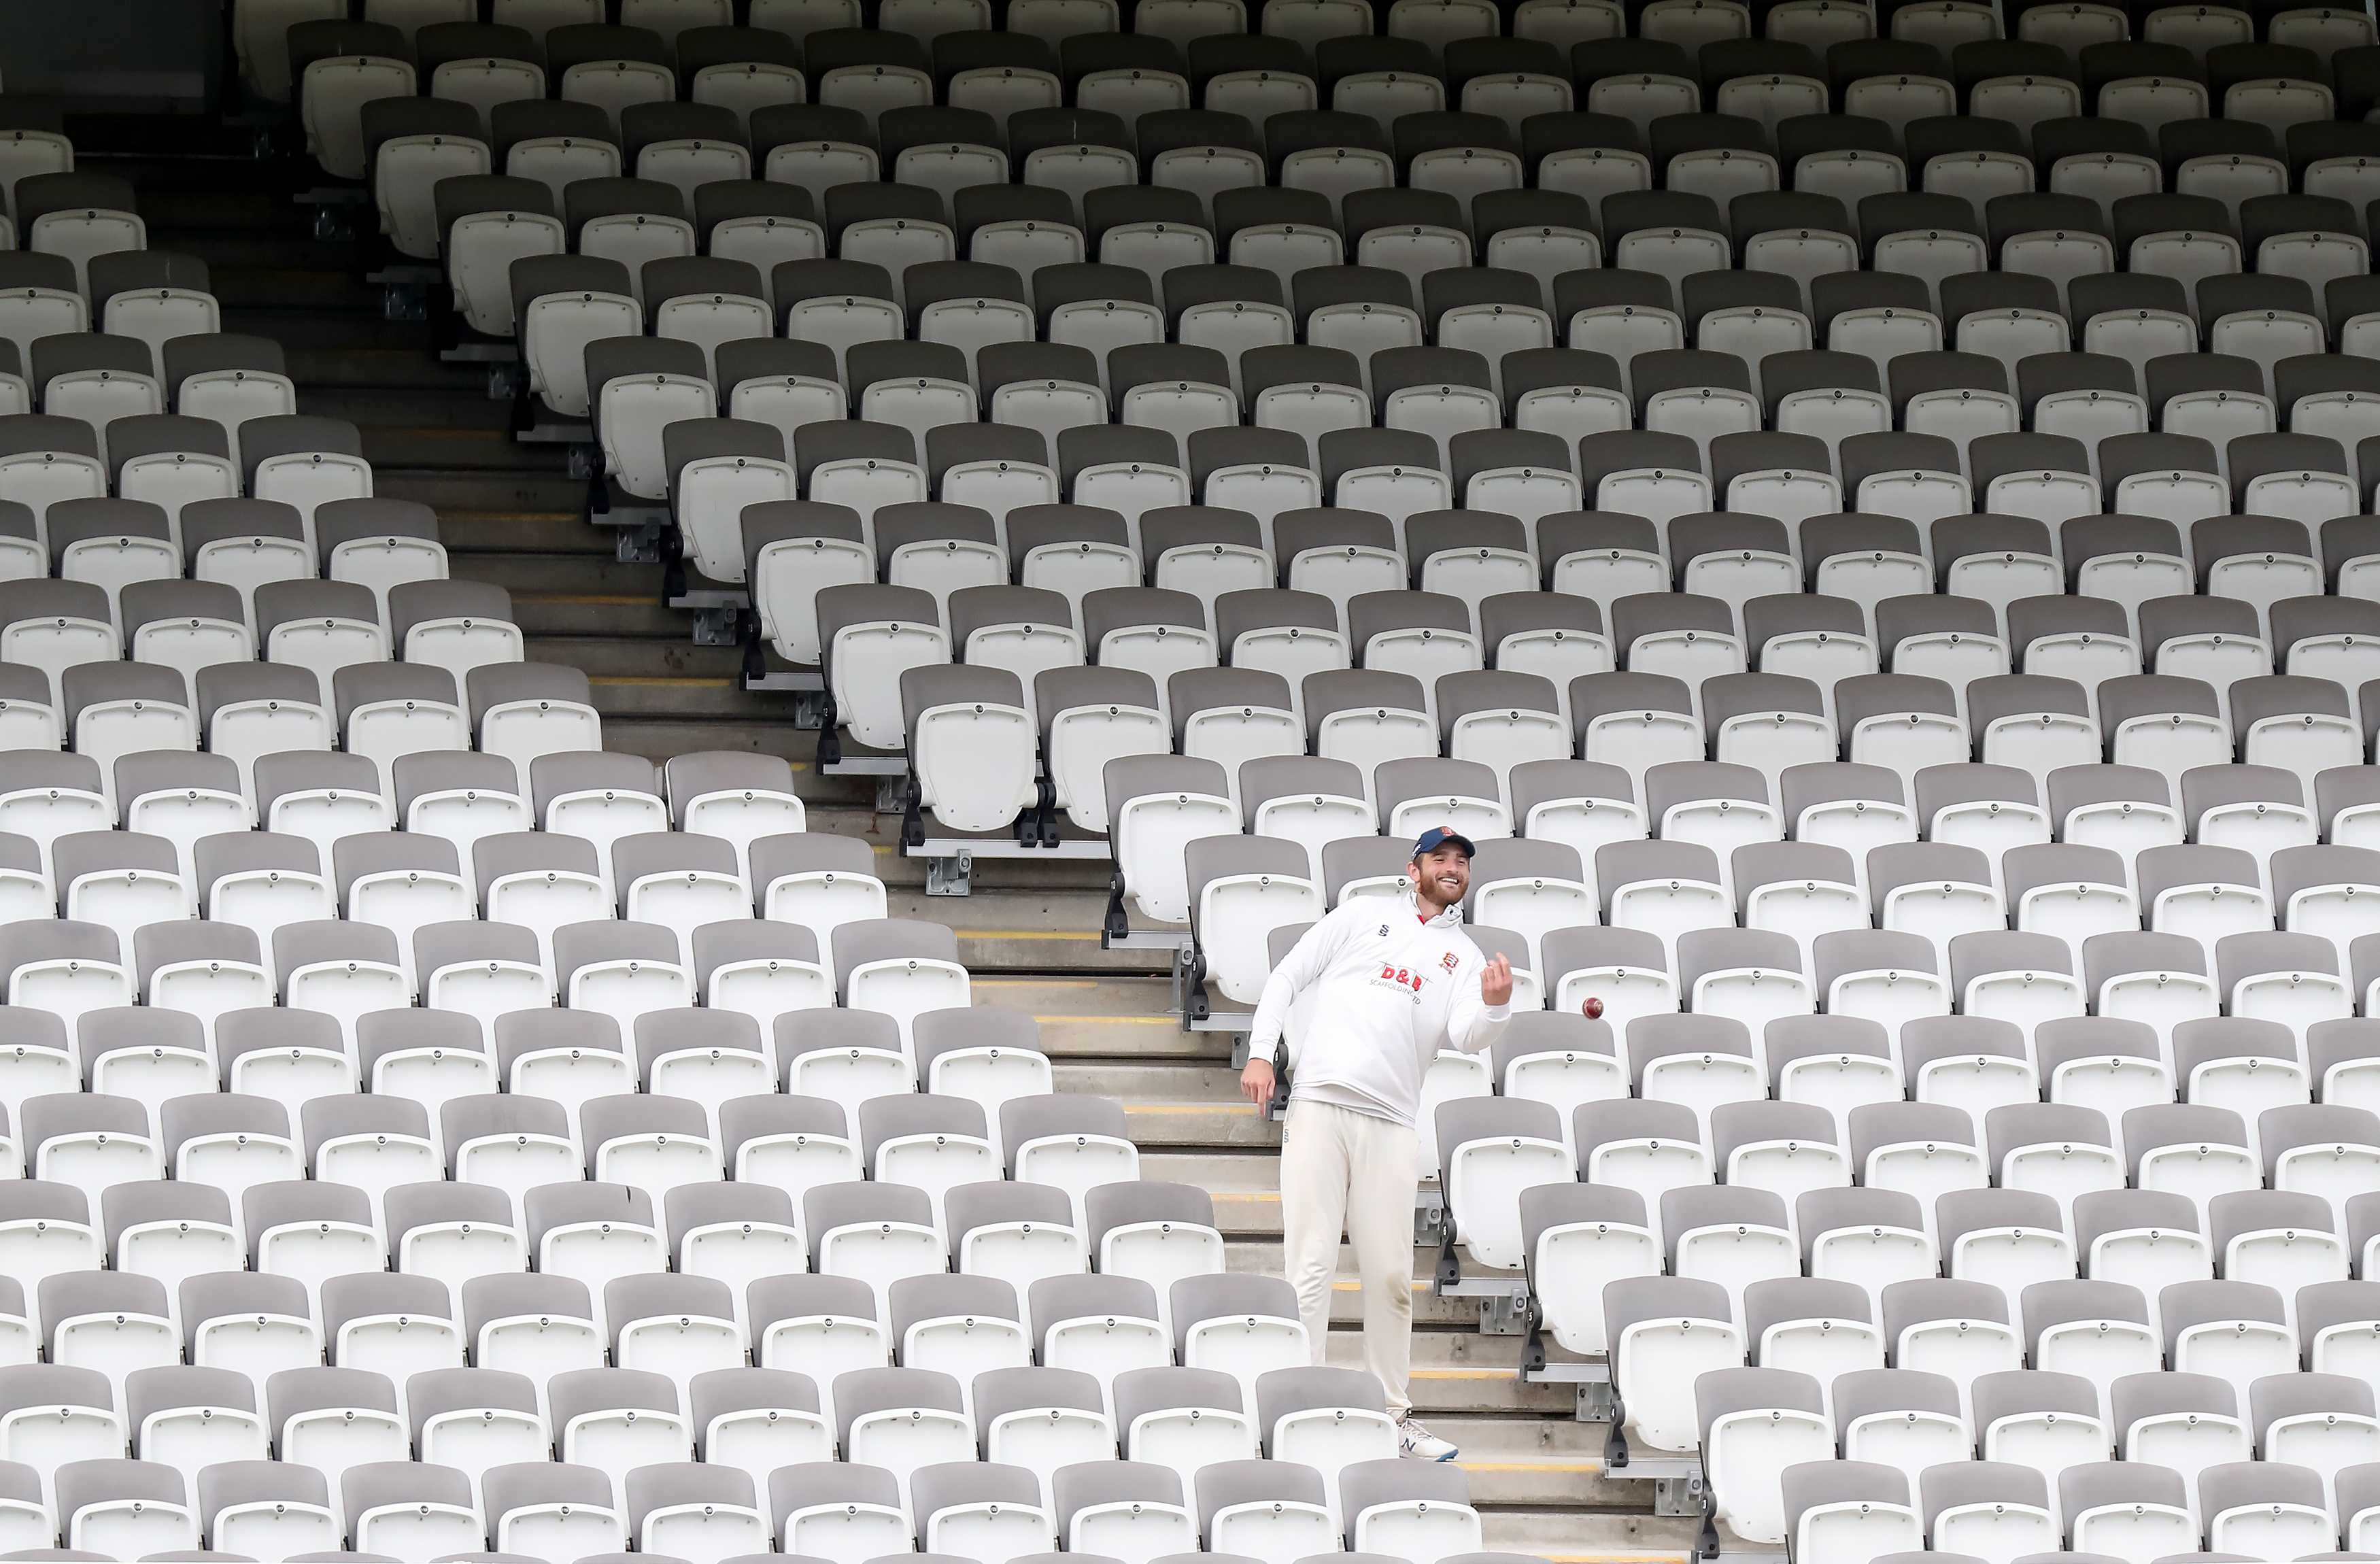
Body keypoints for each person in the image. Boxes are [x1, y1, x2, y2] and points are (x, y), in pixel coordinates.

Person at [1242, 826, 1514, 1460]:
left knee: (1390, 1274)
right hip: (1319, 1103)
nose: (1453, 868)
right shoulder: (1364, 914)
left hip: (1392, 1121)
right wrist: (1261, 1054)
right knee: (1309, 1264)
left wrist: (1497, 1007)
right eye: (1440, 859)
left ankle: (1393, 1417)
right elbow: (1287, 975)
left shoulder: (1466, 957)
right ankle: (1297, 1408)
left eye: (1461, 862)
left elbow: (1467, 1032)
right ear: (1412, 869)